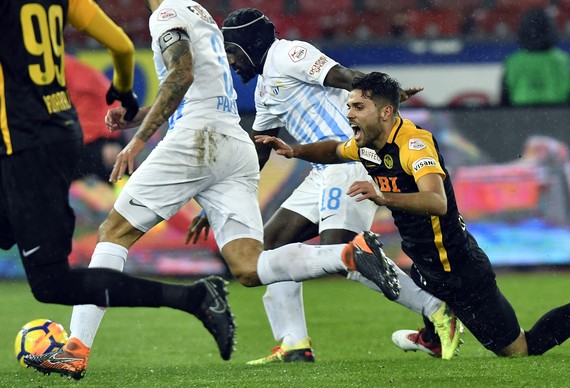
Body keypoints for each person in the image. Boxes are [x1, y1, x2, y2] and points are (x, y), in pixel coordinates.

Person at [23, 0, 399, 380]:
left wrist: (138, 140)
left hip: (196, 139)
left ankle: (75, 349)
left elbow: (181, 75)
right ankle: (347, 256)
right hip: (233, 143)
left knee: (114, 233)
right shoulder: (200, 14)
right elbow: (194, 84)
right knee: (248, 267)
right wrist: (136, 114)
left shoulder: (166, 15)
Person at [187, 7, 460, 364]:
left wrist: (385, 97)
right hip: (322, 172)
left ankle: (438, 310)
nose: (232, 62)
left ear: (250, 45)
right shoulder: (263, 91)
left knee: (342, 252)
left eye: (234, 52)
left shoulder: (290, 54)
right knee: (269, 249)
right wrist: (223, 201)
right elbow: (259, 154)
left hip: (349, 162)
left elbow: (348, 78)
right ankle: (294, 343)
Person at [256, 71, 570, 357]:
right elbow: (333, 150)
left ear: (385, 112)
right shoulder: (368, 143)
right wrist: (293, 151)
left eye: (358, 107)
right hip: (425, 266)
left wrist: (384, 197)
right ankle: (432, 338)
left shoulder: (414, 145)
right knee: (414, 290)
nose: (349, 114)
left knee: (520, 350)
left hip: (458, 271)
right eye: (349, 106)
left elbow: (436, 201)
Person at [1, 0, 234, 381]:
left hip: (25, 144)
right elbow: (123, 47)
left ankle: (194, 298)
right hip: (60, 136)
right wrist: (124, 92)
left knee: (51, 282)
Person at [65, 54, 127, 184]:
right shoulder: (74, 67)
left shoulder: (60, 69)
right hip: (105, 135)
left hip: (96, 139)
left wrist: (108, 139)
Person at [500, 7, 570, 106]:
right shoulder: (563, 60)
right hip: (557, 116)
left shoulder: (513, 61)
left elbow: (504, 101)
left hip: (520, 116)